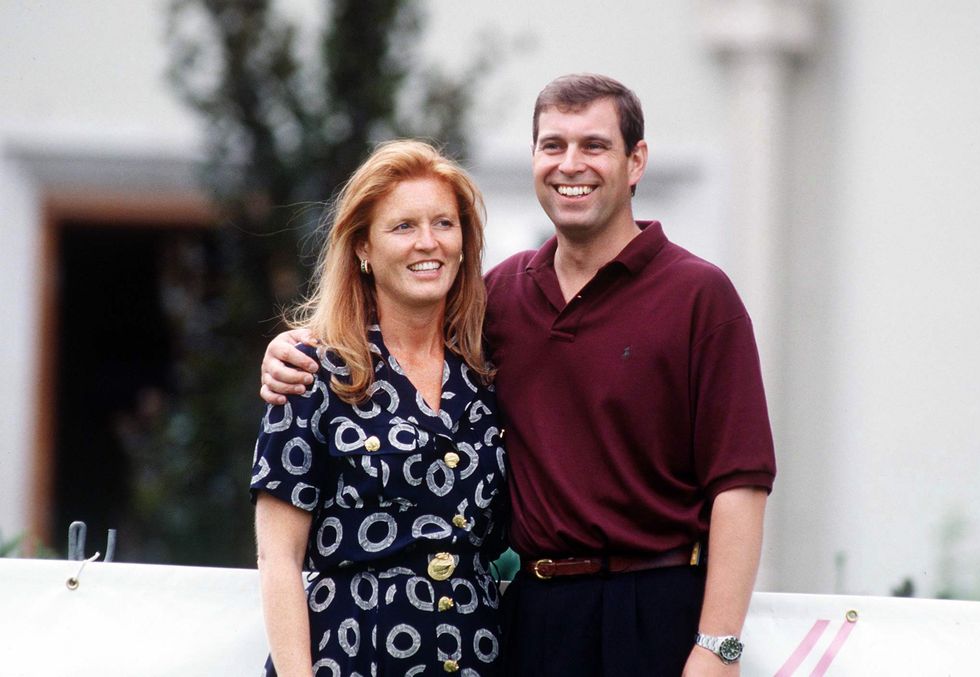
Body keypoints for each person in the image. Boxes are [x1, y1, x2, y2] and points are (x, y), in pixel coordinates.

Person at [261, 74, 776, 677]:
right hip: (531, 620)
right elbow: (397, 330)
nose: (570, 165)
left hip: (655, 608)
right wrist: (290, 349)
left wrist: (719, 647)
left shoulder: (699, 296)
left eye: (594, 145)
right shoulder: (498, 299)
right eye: (553, 145)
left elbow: (739, 484)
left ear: (636, 161)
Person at [250, 140, 508, 677]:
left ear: (464, 242)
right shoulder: (311, 371)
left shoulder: (490, 371)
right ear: (363, 248)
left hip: (475, 653)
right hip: (351, 656)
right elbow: (279, 560)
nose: (428, 243)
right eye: (403, 227)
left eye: (444, 224)